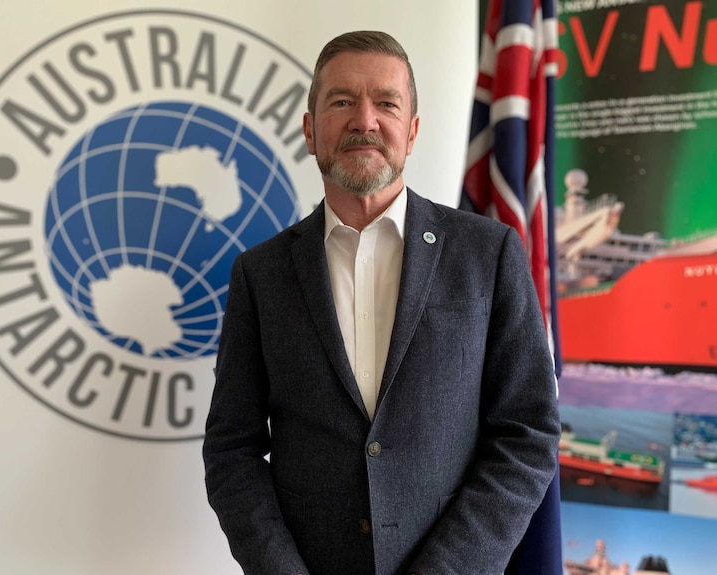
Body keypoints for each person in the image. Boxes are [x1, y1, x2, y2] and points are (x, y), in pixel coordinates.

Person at [202, 30, 560, 575]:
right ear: (309, 129)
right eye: (341, 101)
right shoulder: (261, 274)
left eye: (386, 103)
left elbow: (528, 433)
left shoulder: (488, 254)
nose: (364, 120)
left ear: (412, 131)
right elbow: (232, 450)